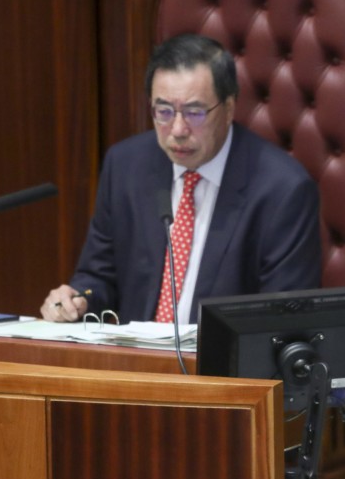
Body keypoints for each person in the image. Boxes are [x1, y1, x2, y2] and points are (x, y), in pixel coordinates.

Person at [41, 34, 321, 324]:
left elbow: (284, 316)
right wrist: (78, 299)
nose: (177, 129)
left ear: (228, 109)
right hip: (136, 364)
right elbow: (99, 277)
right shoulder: (126, 166)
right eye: (163, 111)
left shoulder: (283, 190)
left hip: (220, 366)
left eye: (194, 113)